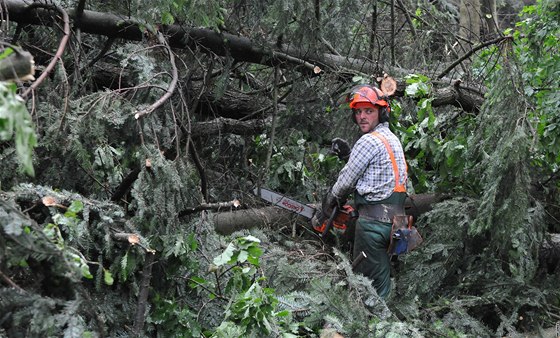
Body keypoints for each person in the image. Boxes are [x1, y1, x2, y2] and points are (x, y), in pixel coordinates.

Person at [318, 84, 408, 299]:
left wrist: (330, 201)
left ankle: (381, 327)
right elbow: (377, 174)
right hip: (398, 223)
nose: (362, 117)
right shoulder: (393, 139)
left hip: (373, 227)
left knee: (370, 290)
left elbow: (346, 181)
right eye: (358, 112)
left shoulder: (368, 140)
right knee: (382, 280)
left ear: (381, 112)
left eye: (368, 111)